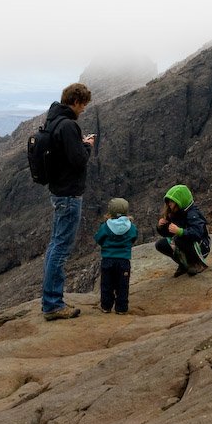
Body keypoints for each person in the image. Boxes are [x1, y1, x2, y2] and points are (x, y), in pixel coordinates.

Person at [41, 82, 95, 321]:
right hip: (69, 195)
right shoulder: (69, 125)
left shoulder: (53, 121)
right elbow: (78, 160)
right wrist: (87, 146)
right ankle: (52, 304)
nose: (83, 109)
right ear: (75, 101)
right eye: (83, 105)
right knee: (61, 249)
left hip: (58, 192)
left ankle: (50, 300)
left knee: (55, 246)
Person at [94, 197, 138, 314]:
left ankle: (106, 306)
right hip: (123, 261)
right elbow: (134, 237)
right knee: (122, 285)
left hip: (108, 260)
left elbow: (98, 238)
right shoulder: (131, 227)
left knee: (107, 284)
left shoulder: (105, 226)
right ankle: (121, 308)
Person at [155, 184, 211, 277]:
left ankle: (196, 263)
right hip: (186, 242)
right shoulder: (175, 213)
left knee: (179, 239)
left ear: (179, 201)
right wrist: (161, 227)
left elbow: (197, 233)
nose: (169, 204)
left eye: (171, 202)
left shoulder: (192, 214)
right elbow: (168, 233)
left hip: (201, 246)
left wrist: (180, 231)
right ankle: (184, 264)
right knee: (160, 244)